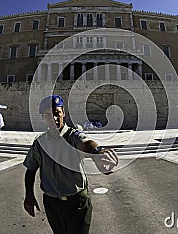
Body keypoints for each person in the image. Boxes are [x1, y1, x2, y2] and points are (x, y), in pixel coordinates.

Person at [23, 95, 119, 234]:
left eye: (57, 113)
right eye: (48, 115)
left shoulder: (73, 136)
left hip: (77, 203)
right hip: (52, 204)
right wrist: (29, 195)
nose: (54, 119)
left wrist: (97, 152)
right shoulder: (40, 143)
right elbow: (30, 170)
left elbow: (86, 143)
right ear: (43, 117)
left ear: (63, 113)